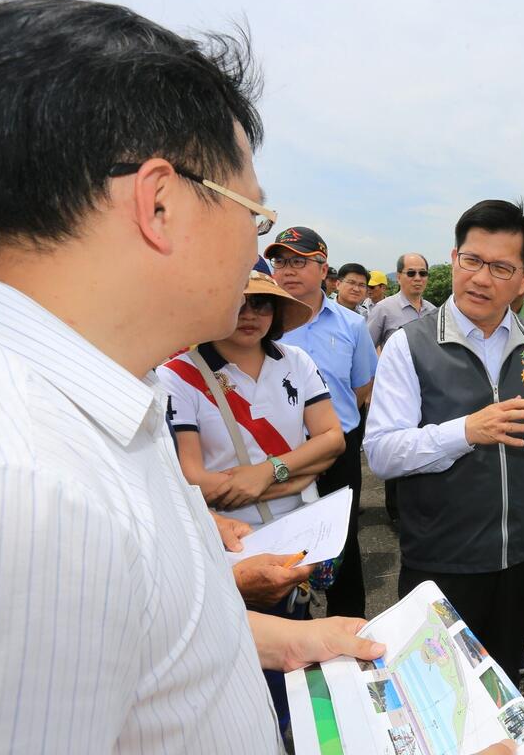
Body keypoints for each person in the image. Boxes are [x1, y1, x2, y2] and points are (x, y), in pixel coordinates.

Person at [0, 0, 382, 751]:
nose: (254, 256)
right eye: (250, 214)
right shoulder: (31, 492)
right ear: (158, 202)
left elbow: (155, 640)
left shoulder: (99, 407)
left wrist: (283, 641)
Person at [365, 200, 524, 685]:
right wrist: (466, 430)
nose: (481, 279)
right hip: (443, 560)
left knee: (501, 678)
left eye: (501, 267)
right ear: (454, 258)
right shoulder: (411, 344)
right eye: (472, 261)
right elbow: (381, 452)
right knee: (440, 691)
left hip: (520, 555)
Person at [157, 269, 344, 731]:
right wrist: (302, 467)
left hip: (303, 527)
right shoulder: (178, 375)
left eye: (262, 304)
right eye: (239, 302)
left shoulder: (296, 360)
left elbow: (334, 439)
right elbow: (196, 479)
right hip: (233, 541)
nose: (251, 314)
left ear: (277, 311)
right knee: (238, 659)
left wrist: (265, 473)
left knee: (294, 646)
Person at [266, 226, 378, 619]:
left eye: (299, 261)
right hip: (277, 455)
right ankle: (293, 632)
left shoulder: (350, 325)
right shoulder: (259, 322)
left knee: (341, 544)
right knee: (281, 545)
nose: (288, 270)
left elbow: (362, 385)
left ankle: (348, 630)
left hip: (336, 453)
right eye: (281, 261)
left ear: (323, 267)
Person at [366, 252, 438, 524]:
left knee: (422, 445)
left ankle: (421, 505)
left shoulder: (433, 311)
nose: (418, 278)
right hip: (395, 392)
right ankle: (396, 513)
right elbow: (366, 347)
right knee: (396, 447)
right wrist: (373, 388)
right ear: (399, 277)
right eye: (411, 273)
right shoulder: (384, 309)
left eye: (422, 273)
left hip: (427, 391)